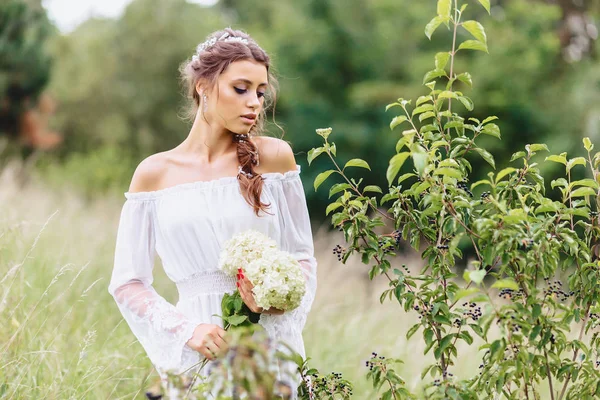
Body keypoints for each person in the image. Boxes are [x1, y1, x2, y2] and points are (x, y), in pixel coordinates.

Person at [107, 28, 318, 398]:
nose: (254, 102)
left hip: (266, 346)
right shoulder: (154, 174)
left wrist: (274, 300)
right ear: (203, 86)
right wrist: (187, 330)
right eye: (241, 89)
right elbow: (128, 282)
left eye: (260, 91)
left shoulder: (274, 158)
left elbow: (302, 257)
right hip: (197, 352)